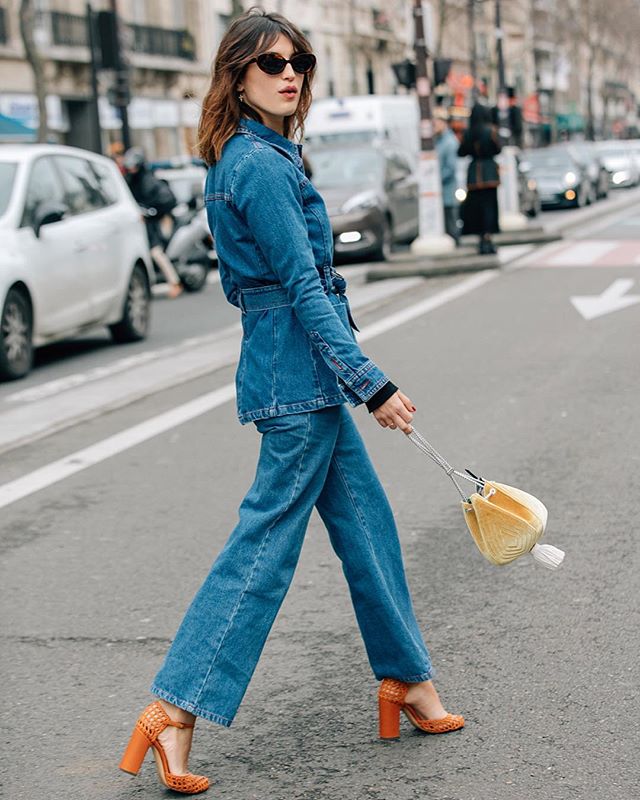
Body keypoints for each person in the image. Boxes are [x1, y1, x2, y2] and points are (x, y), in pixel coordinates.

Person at [119, 9, 464, 795]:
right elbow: (303, 289)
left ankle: (405, 679)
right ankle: (173, 708)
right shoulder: (261, 166)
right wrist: (368, 382)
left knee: (368, 527)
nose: (290, 73)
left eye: (300, 61)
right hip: (296, 378)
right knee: (265, 549)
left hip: (292, 372)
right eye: (270, 61)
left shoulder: (251, 156)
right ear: (236, 74)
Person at [123, 148, 183, 299]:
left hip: (157, 221)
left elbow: (168, 200)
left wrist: (151, 212)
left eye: (134, 166)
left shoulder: (149, 181)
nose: (131, 169)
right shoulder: (130, 181)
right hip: (142, 223)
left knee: (156, 252)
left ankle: (174, 282)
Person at [458, 102, 502, 255]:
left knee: (476, 208)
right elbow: (498, 149)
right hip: (489, 173)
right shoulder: (491, 131)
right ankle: (488, 238)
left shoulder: (468, 132)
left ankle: (480, 240)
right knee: (489, 208)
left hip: (474, 175)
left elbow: (461, 151)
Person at [434, 108, 460, 245]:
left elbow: (451, 167)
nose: (434, 126)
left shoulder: (449, 142)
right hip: (441, 191)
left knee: (450, 221)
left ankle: (455, 243)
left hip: (447, 190)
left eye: (437, 123)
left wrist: (436, 180)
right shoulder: (438, 141)